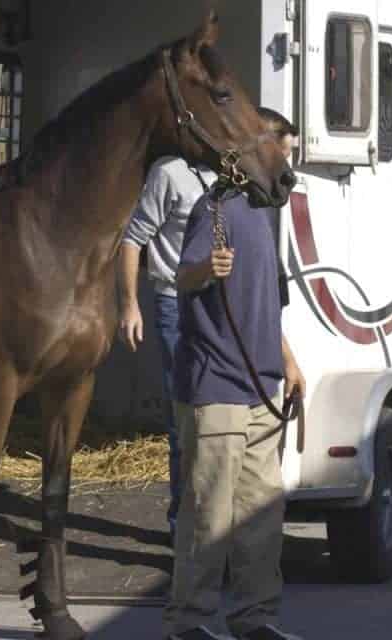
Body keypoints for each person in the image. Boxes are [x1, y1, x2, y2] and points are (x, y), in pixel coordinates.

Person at [164, 110, 304, 640]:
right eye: (280, 151)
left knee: (261, 520)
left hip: (261, 386)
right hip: (215, 387)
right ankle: (188, 622)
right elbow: (183, 276)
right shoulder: (215, 209)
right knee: (209, 517)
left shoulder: (265, 215)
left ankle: (255, 618)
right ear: (250, 154)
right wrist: (206, 270)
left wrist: (288, 362)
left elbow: (269, 304)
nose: (285, 163)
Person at [118, 156, 218, 540]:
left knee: (218, 413)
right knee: (183, 417)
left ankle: (212, 522)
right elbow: (133, 239)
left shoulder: (229, 171)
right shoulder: (168, 173)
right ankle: (182, 527)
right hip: (175, 302)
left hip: (218, 304)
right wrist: (129, 304)